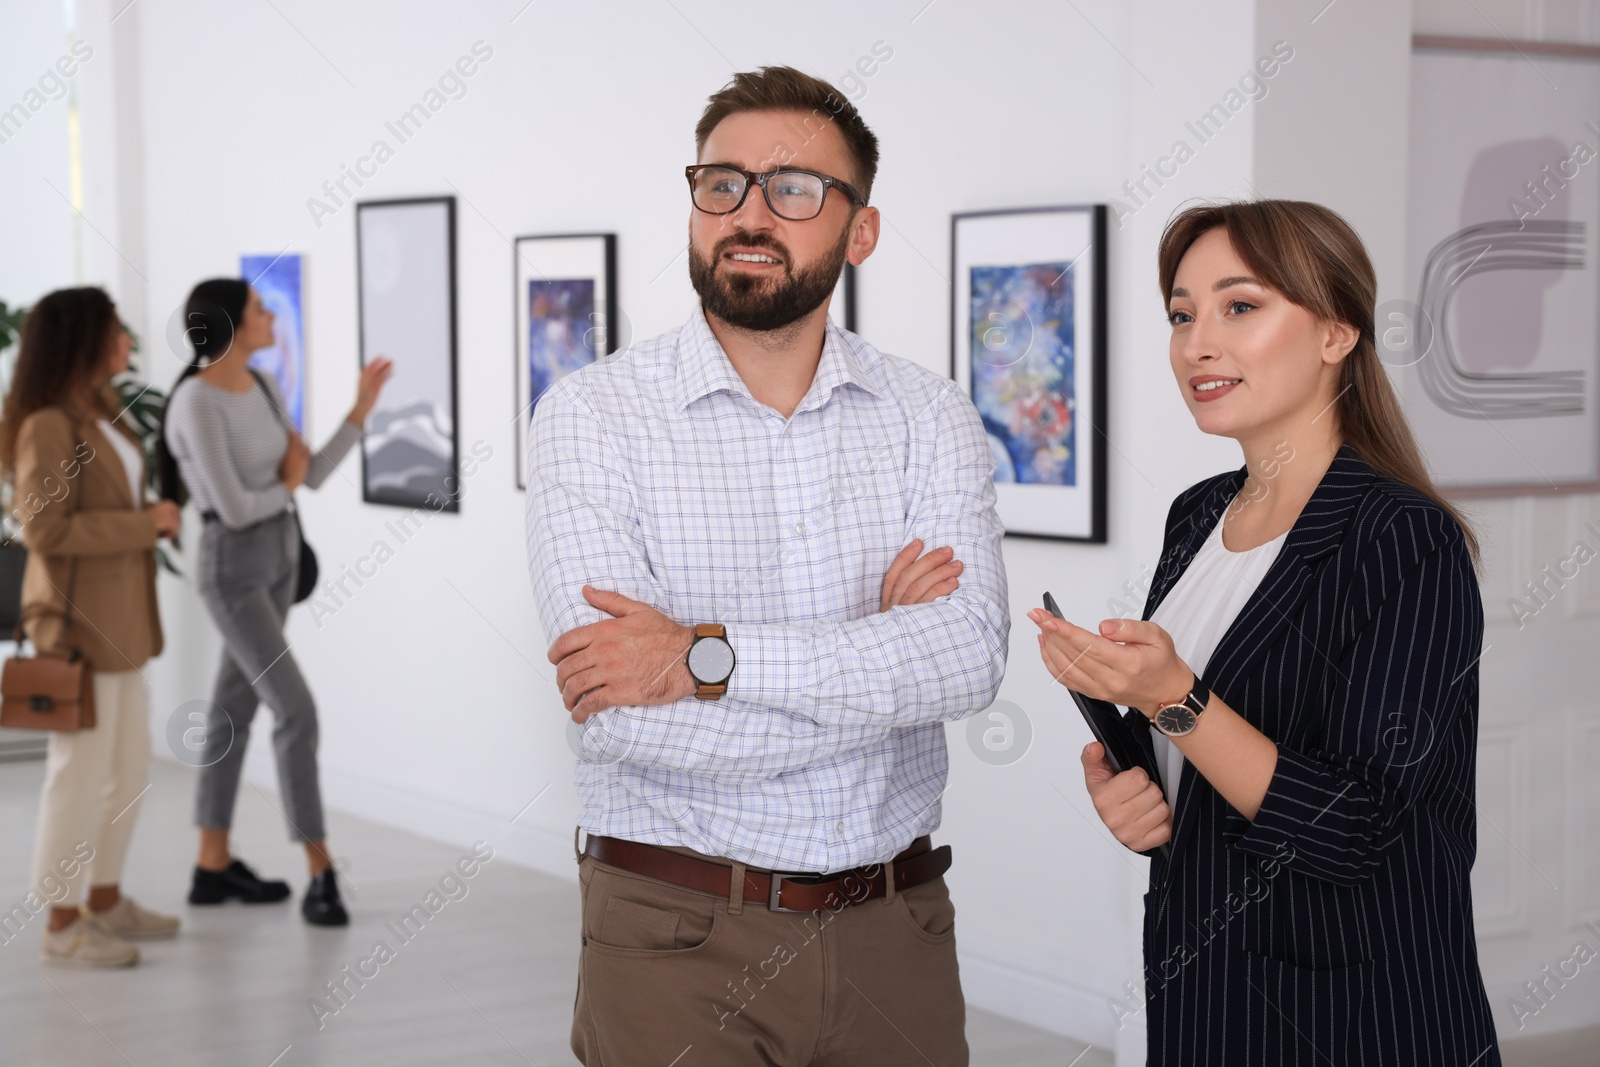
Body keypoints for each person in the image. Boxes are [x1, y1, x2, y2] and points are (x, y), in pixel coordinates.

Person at [526, 66, 1009, 1065]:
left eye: (792, 189)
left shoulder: (930, 415)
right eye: (723, 183)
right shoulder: (592, 414)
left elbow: (965, 660)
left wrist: (703, 659)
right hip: (676, 933)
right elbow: (619, 711)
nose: (750, 213)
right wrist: (876, 657)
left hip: (894, 930)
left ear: (859, 231)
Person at [1030, 200, 1500, 1066]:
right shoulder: (1198, 514)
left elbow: (1357, 828)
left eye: (1239, 306)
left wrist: (1172, 698)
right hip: (1201, 991)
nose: (1197, 343)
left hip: (1354, 1012)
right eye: (1181, 314)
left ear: (1336, 333)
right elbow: (1209, 759)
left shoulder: (1404, 540)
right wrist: (1133, 779)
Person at [157, 278, 391, 927]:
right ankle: (320, 870)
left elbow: (307, 475)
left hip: (281, 559)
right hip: (231, 569)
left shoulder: (259, 386)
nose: (271, 317)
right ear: (232, 323)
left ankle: (211, 864)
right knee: (295, 708)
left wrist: (360, 409)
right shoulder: (196, 403)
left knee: (232, 706)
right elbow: (232, 507)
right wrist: (285, 484)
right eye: (261, 310)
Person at [2, 286, 183, 967]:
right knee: (77, 775)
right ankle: (60, 922)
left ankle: (103, 899)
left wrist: (149, 513)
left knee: (129, 769)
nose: (128, 343)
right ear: (83, 338)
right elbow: (44, 528)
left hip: (124, 622)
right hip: (78, 625)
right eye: (116, 331)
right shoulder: (47, 424)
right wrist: (147, 523)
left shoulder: (102, 410)